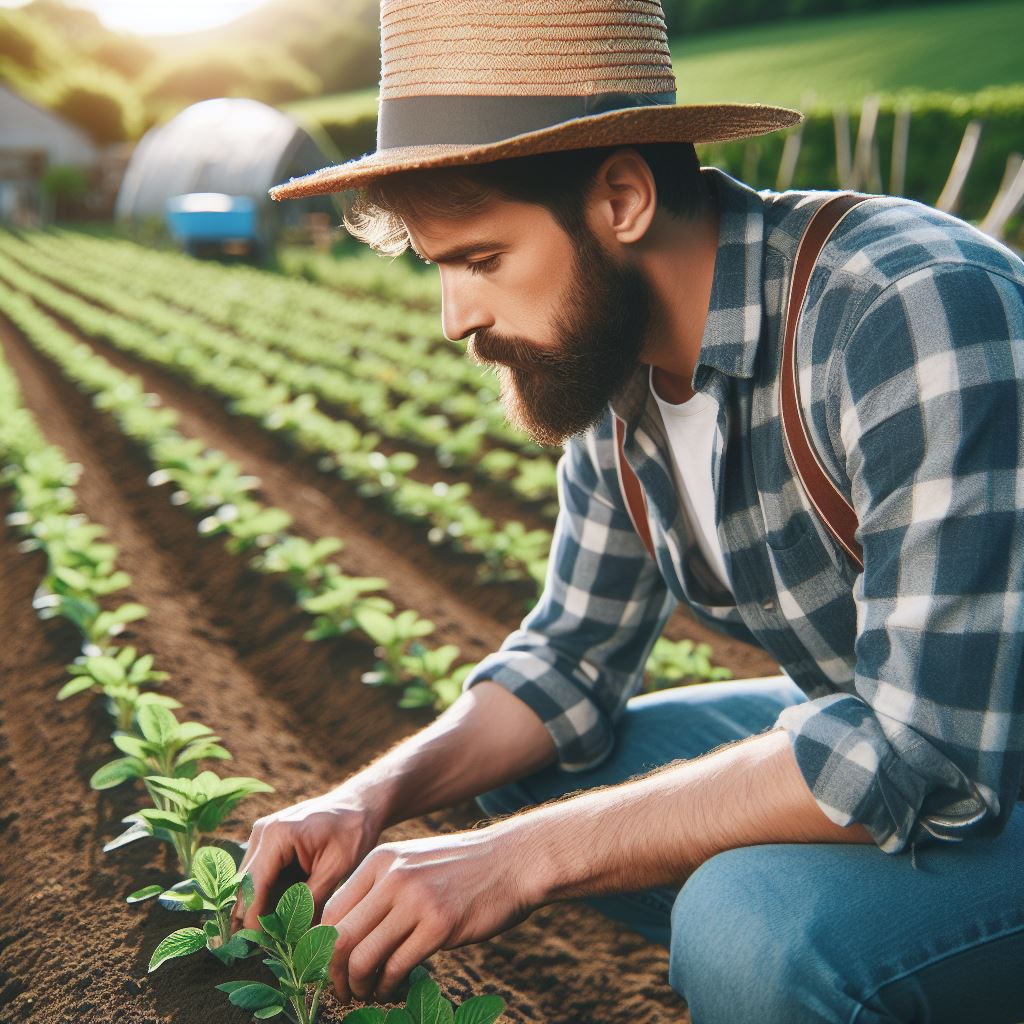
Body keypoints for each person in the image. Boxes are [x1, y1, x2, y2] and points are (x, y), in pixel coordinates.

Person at [233, 2, 1024, 1020]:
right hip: (906, 725)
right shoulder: (619, 377)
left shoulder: (906, 310)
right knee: (549, 769)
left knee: (750, 928)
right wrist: (368, 797)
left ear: (621, 197)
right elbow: (567, 659)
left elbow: (928, 749)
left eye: (481, 262)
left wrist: (522, 859)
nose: (454, 319)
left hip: (974, 747)